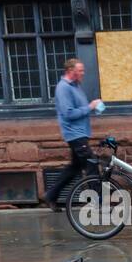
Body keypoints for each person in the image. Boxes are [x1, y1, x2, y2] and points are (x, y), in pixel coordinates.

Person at [43, 58, 106, 209]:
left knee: (74, 168)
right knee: (91, 165)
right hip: (75, 135)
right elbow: (68, 113)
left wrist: (93, 106)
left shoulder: (75, 86)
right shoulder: (63, 88)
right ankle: (97, 201)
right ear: (71, 71)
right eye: (80, 71)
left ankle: (51, 195)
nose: (83, 73)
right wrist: (90, 107)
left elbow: (79, 108)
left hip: (80, 133)